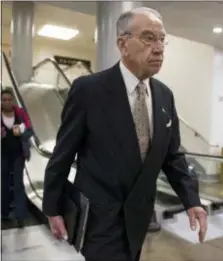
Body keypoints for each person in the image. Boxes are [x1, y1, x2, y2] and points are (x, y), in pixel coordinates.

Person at [42, 7, 207, 261]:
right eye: (149, 38)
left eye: (162, 39)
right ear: (123, 44)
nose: (159, 47)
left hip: (139, 217)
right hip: (99, 219)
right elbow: (63, 153)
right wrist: (53, 208)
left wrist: (192, 200)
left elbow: (172, 157)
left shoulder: (164, 96)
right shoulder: (89, 91)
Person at [1, 88, 33, 228]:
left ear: (13, 100)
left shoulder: (20, 113)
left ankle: (20, 216)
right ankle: (4, 212)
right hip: (2, 155)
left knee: (18, 184)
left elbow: (30, 129)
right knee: (3, 183)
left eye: (9, 99)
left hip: (18, 154)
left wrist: (22, 132)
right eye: (4, 100)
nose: (7, 102)